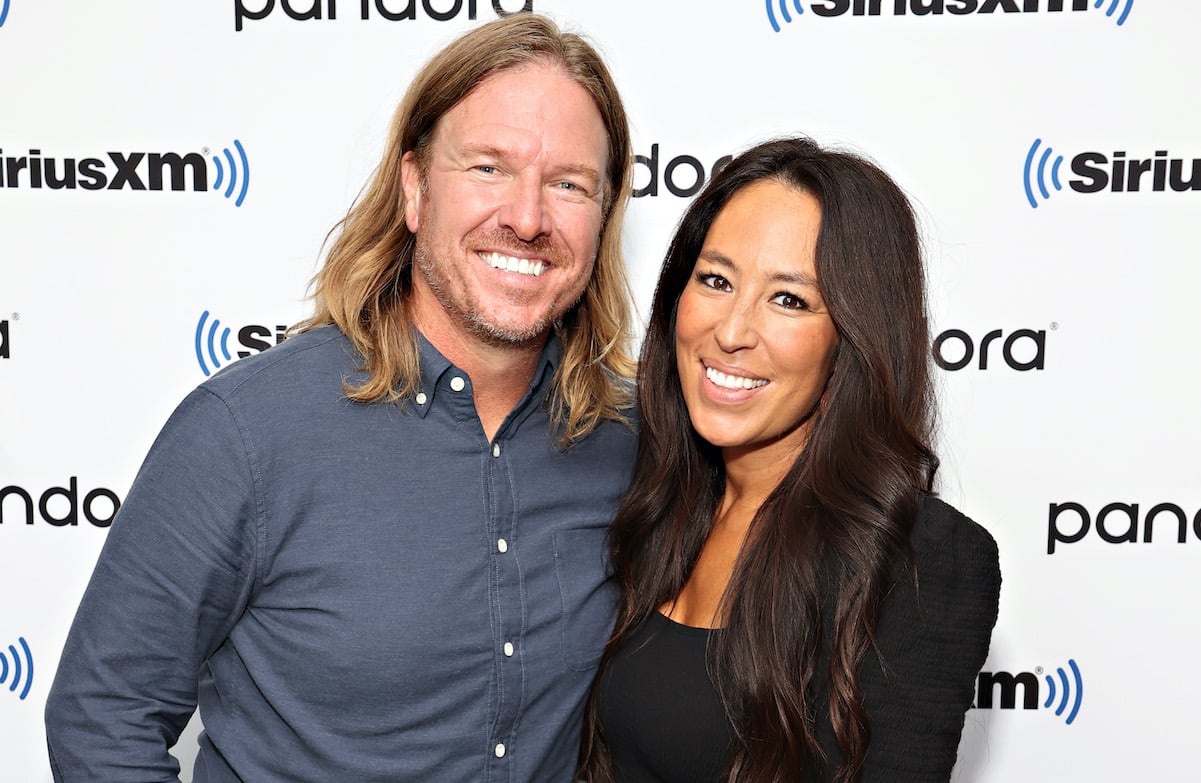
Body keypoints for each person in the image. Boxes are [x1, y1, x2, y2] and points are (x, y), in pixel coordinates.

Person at [45, 13, 638, 782]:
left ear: (603, 213)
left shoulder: (630, 443)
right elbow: (102, 713)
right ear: (416, 188)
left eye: (567, 184)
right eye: (488, 168)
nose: (526, 218)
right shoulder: (246, 433)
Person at [578, 137, 1002, 783]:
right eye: (715, 280)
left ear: (852, 340)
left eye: (789, 300)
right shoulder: (654, 496)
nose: (731, 330)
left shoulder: (919, 557)